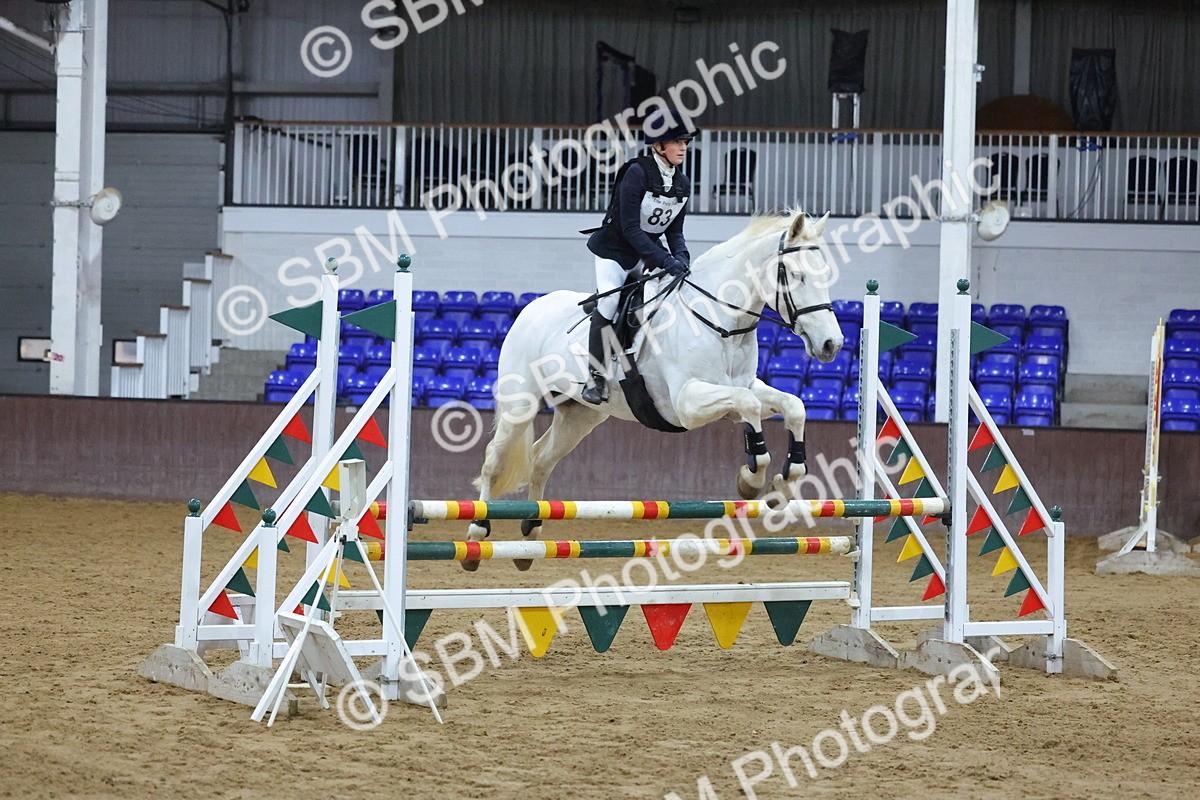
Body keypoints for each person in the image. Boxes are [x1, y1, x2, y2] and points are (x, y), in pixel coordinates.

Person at [581, 110, 695, 404]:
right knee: (609, 301)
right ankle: (596, 378)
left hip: (645, 253)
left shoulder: (682, 184)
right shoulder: (637, 173)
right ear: (658, 145)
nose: (683, 147)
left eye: (685, 142)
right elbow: (630, 228)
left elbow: (674, 231)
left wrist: (681, 256)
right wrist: (664, 260)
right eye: (676, 142)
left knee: (664, 299)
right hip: (616, 251)